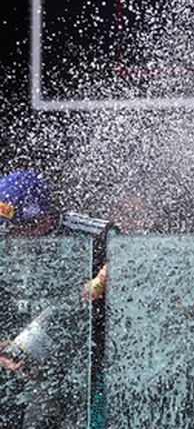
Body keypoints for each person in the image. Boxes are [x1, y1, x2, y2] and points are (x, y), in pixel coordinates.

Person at [0, 170, 110, 428]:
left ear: (41, 220)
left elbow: (136, 265)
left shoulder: (92, 236)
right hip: (12, 362)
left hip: (77, 367)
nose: (7, 239)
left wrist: (107, 277)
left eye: (13, 231)